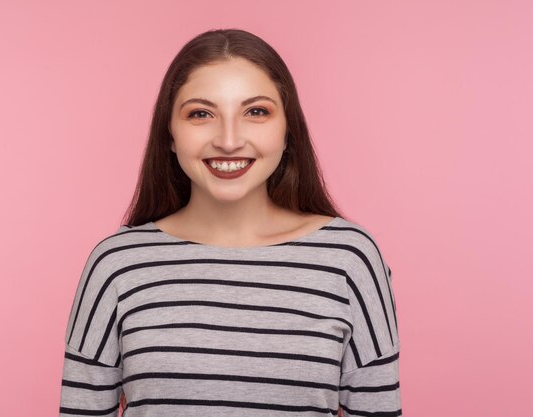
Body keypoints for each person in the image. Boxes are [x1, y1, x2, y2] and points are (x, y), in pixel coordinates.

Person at [59, 28, 402, 417]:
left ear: (288, 130)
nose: (228, 140)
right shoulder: (116, 265)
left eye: (256, 112)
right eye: (201, 114)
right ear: (169, 134)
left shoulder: (350, 259)